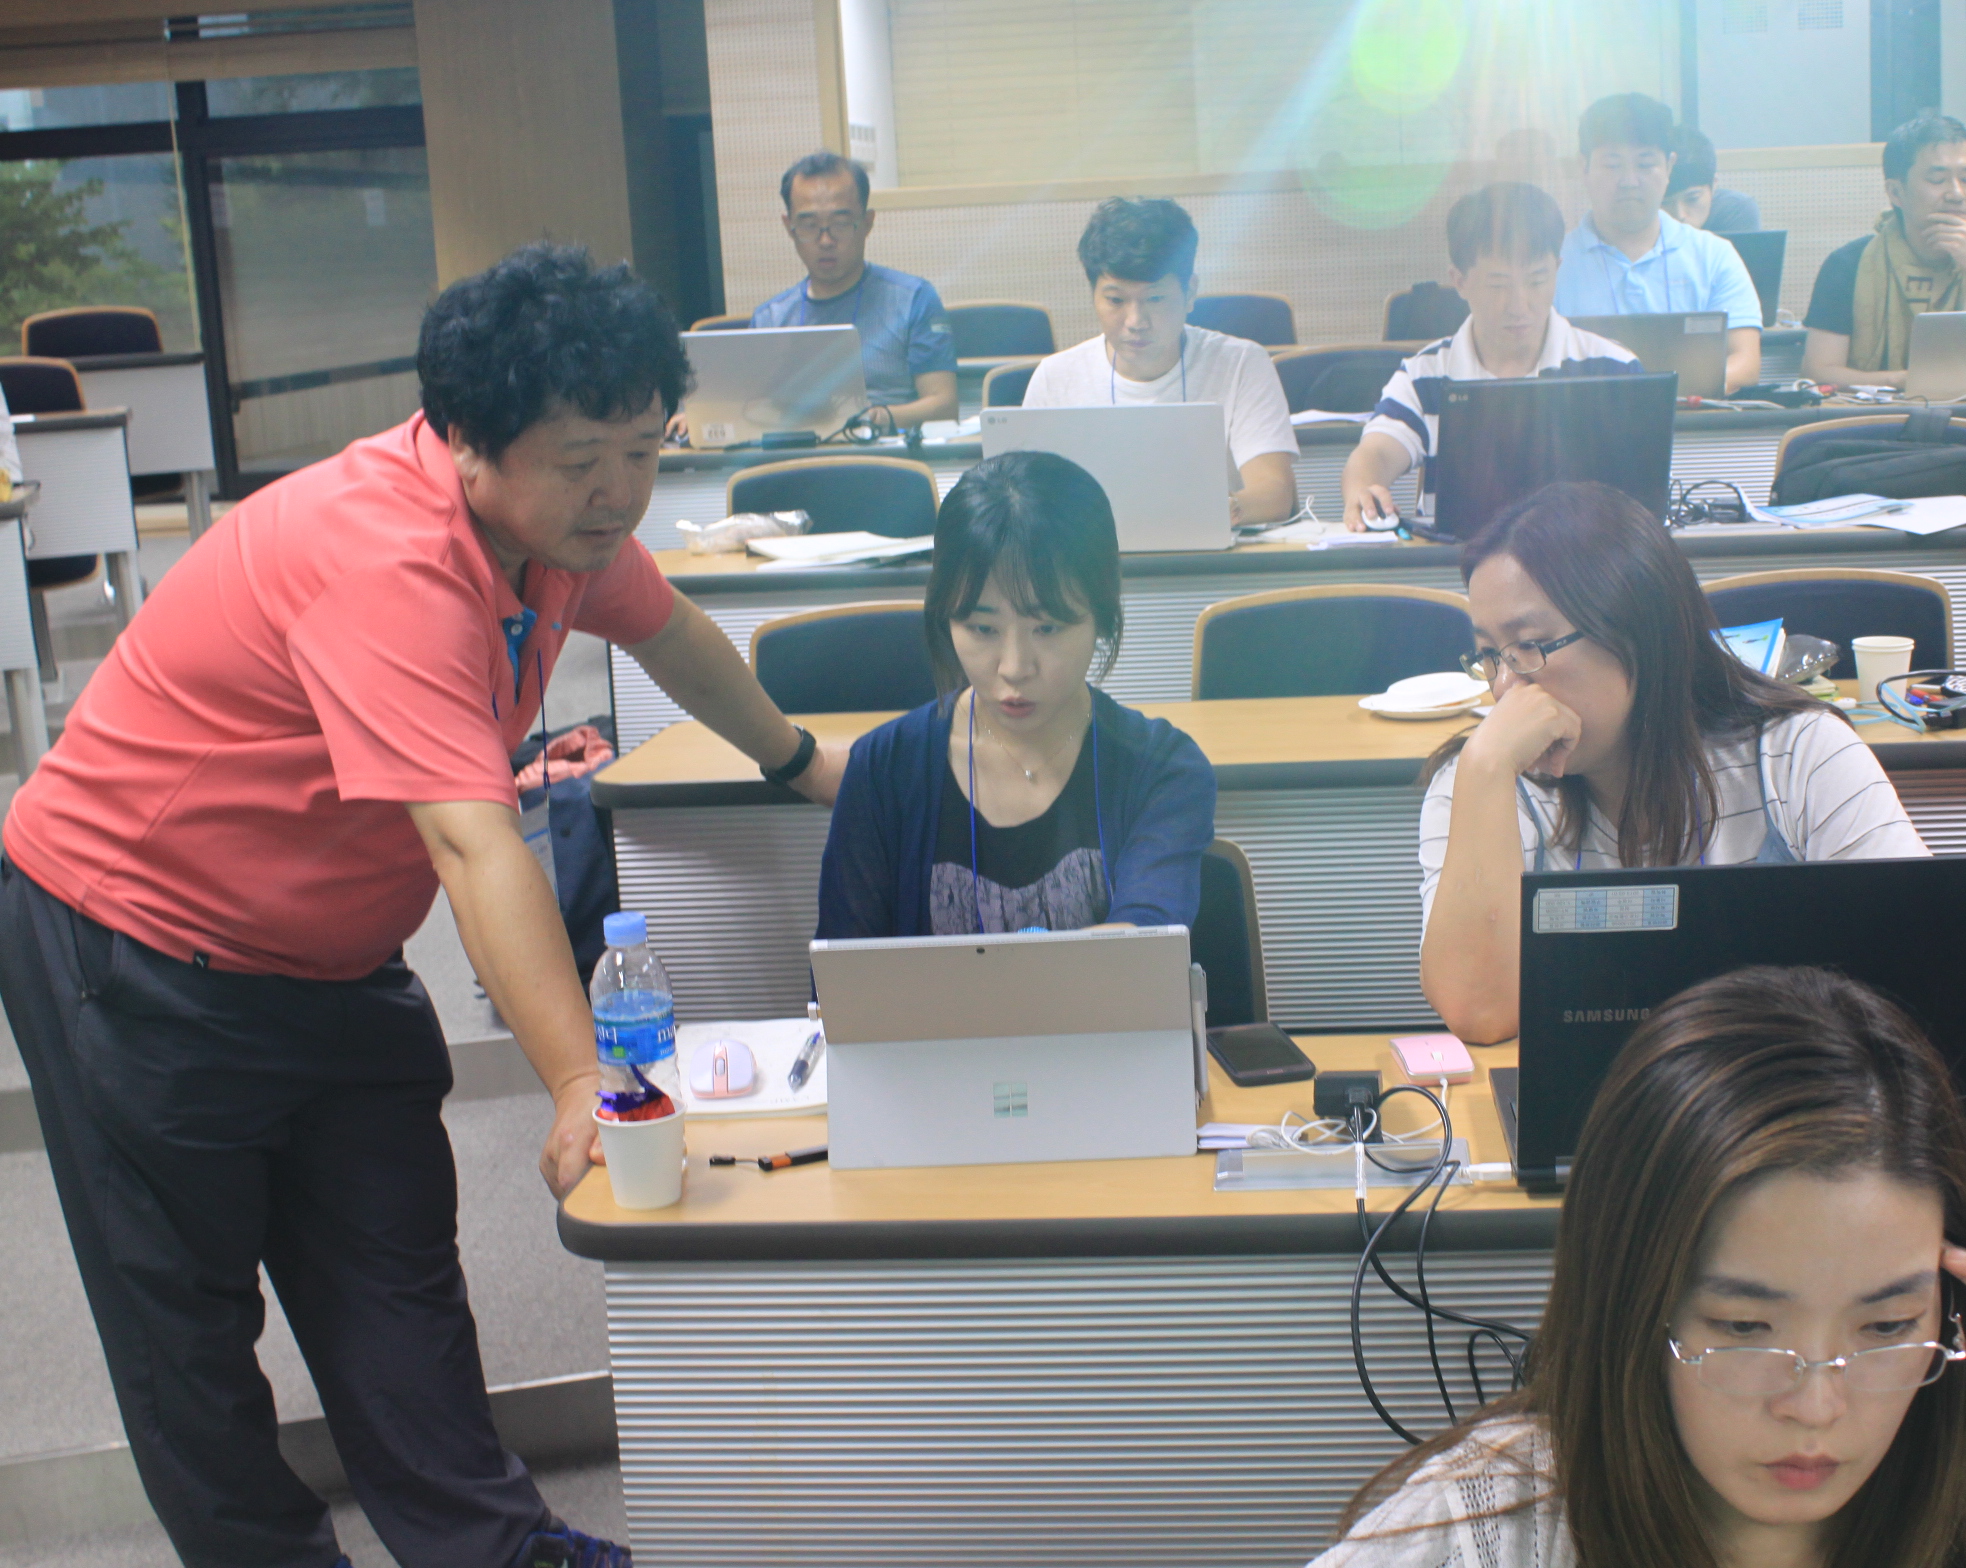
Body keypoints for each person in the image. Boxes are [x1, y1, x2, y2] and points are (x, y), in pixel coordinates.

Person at [0, 244, 846, 1568]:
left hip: (328, 955)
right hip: (134, 945)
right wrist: (578, 1082)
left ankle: (493, 1554)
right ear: (463, 442)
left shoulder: (561, 531)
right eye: (582, 459)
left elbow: (667, 627)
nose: (620, 492)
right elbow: (470, 841)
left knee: (394, 1279)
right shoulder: (383, 558)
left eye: (644, 448)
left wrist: (796, 758)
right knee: (190, 1327)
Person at [1313, 964, 1966, 1568]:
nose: (1817, 1407)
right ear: (1635, 1303)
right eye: (1745, 1327)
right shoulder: (1485, 1527)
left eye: (1889, 1327)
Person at [1417, 481, 1927, 1045]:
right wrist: (1484, 768)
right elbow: (1479, 1013)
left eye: (1530, 645)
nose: (1506, 688)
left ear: (1638, 631)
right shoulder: (1485, 779)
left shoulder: (1799, 753)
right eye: (1491, 655)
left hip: (1781, 1107)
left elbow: (1917, 972)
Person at [817, 450, 1215, 936]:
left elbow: (1148, 948)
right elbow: (844, 980)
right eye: (982, 629)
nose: (1015, 668)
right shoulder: (883, 768)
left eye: (1047, 628)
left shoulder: (1162, 768)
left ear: (1101, 617)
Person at [1341, 184, 1641, 533]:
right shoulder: (1425, 375)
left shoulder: (1614, 369)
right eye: (1498, 285)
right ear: (1459, 282)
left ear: (1557, 270)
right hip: (1455, 570)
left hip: (1581, 571)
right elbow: (1375, 453)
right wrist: (1363, 489)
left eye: (1536, 281)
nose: (1518, 304)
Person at [1022, 197, 1299, 526]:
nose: (1136, 321)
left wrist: (1213, 511)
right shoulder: (1056, 378)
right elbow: (1028, 501)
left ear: (1190, 293)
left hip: (1213, 556)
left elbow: (1275, 493)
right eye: (1115, 300)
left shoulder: (1240, 364)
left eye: (1155, 299)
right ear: (1093, 295)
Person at [1553, 93, 1763, 391]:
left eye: (1645, 164)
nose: (1629, 180)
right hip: (1584, 428)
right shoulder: (1552, 263)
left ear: (1669, 166)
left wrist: (1665, 397)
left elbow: (1745, 361)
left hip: (1693, 427)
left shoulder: (1714, 255)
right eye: (1613, 165)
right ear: (1583, 167)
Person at [1801, 112, 1966, 389]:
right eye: (1937, 179)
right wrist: (1905, 381)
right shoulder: (1848, 266)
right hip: (1864, 420)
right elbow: (1819, 372)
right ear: (1896, 192)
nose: (1956, 193)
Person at [746, 149, 959, 434]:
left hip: (884, 459)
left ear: (868, 223)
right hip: (796, 460)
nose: (825, 240)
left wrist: (880, 417)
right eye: (809, 226)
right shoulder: (770, 320)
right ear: (789, 227)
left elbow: (944, 404)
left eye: (841, 224)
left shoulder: (912, 299)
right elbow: (747, 411)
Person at [1663, 123, 1762, 235]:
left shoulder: (1735, 211)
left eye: (1692, 199)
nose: (1679, 215)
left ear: (1714, 184)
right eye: (1665, 203)